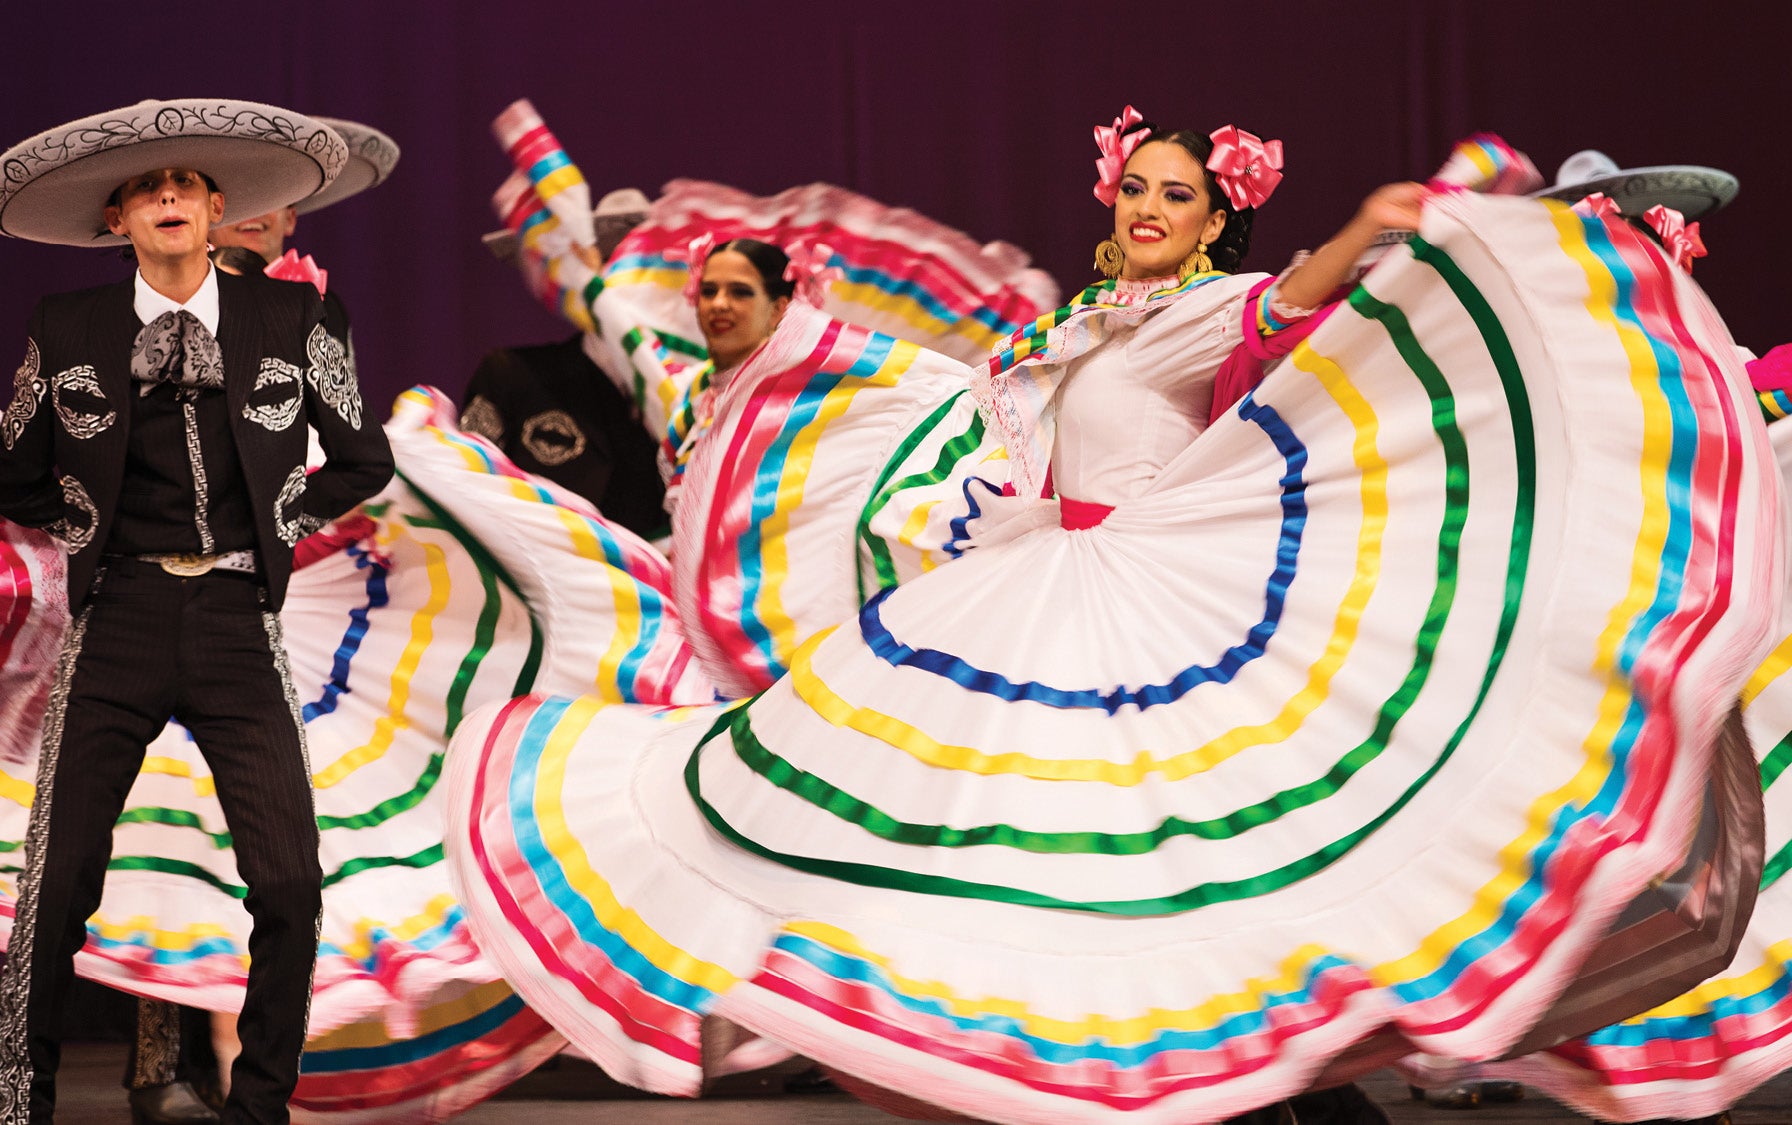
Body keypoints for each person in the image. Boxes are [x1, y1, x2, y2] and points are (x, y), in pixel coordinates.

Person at [442, 110, 1781, 1124]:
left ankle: (1249, 1074)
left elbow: (1302, 294)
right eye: (1136, 187)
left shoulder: (1208, 311)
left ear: (1212, 223)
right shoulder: (1087, 319)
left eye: (1175, 195)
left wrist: (1389, 218)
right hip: (1043, 577)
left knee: (1160, 850)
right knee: (1011, 831)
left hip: (1149, 601)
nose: (1146, 207)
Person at [0, 98, 393, 1124]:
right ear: (117, 219)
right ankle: (18, 1104)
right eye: (145, 188)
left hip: (235, 620)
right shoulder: (67, 325)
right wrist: (82, 525)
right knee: (57, 886)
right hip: (117, 618)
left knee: (291, 883)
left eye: (185, 184)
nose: (167, 196)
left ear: (218, 209)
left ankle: (259, 1106)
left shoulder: (295, 320)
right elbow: (13, 466)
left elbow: (363, 459)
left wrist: (280, 520)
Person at [462, 189, 668, 538]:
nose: (632, 287)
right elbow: (463, 492)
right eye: (613, 266)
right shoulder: (511, 376)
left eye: (654, 273)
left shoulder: (697, 395)